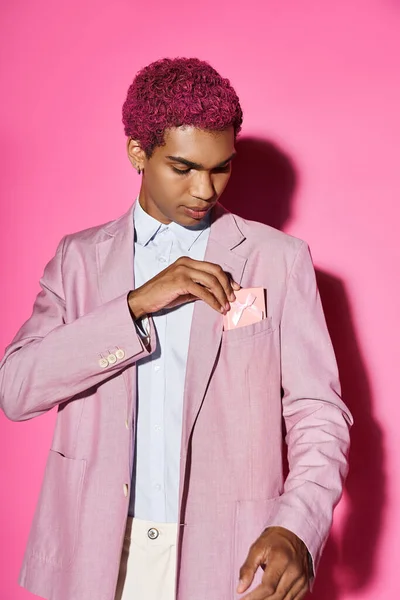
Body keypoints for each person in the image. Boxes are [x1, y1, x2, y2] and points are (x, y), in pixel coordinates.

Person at [0, 57, 353, 600]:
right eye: (184, 168)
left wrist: (298, 526)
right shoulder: (78, 260)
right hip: (96, 556)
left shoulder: (277, 260)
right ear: (138, 152)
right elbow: (16, 389)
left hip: (231, 557)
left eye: (221, 168)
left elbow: (318, 412)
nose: (206, 190)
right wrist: (137, 305)